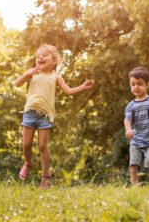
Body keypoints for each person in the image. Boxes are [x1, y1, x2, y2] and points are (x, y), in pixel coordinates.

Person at [13, 44, 94, 188]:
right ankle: (28, 163)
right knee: (26, 145)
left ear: (54, 60)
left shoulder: (56, 76)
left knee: (43, 146)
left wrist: (82, 87)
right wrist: (27, 74)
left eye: (44, 55)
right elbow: (16, 84)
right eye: (38, 56)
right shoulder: (33, 74)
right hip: (30, 113)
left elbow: (68, 91)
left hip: (45, 115)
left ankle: (45, 176)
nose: (40, 58)